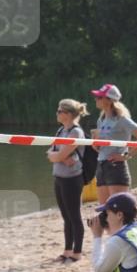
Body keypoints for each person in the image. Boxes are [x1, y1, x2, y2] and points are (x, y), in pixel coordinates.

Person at [90, 84, 137, 203]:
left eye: (99, 97)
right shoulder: (100, 120)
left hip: (115, 167)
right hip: (101, 165)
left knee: (118, 210)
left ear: (109, 100)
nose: (96, 99)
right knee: (104, 212)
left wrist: (126, 156)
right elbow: (100, 148)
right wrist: (95, 144)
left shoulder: (121, 119)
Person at [47, 99, 88, 263]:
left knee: (74, 216)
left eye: (59, 111)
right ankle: (67, 250)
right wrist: (61, 157)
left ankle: (77, 252)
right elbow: (51, 152)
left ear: (68, 114)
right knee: (66, 216)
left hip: (72, 179)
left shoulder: (75, 132)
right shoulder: (60, 130)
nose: (57, 113)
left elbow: (58, 154)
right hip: (59, 177)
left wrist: (59, 156)